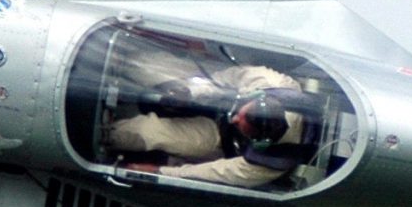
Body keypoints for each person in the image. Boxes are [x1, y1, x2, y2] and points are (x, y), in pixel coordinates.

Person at [108, 60, 319, 188]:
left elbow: (209, 174)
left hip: (219, 140)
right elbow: (226, 77)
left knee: (149, 132)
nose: (234, 118)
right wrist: (188, 92)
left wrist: (159, 173)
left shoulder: (265, 165)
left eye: (241, 122)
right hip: (217, 95)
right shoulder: (275, 85)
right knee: (154, 67)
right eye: (242, 113)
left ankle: (106, 132)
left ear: (260, 141)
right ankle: (119, 63)